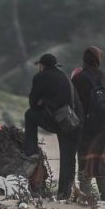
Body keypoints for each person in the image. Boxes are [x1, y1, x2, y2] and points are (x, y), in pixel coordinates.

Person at [23, 53, 79, 201]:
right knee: (68, 159)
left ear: (42, 66)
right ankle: (64, 194)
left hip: (55, 120)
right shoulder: (65, 77)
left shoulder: (40, 77)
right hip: (73, 121)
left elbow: (33, 103)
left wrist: (42, 101)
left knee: (29, 115)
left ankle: (31, 151)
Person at [73, 46, 105, 201]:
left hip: (87, 126)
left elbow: (75, 100)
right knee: (102, 160)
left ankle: (86, 197)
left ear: (84, 60)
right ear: (98, 60)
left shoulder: (79, 78)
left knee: (85, 160)